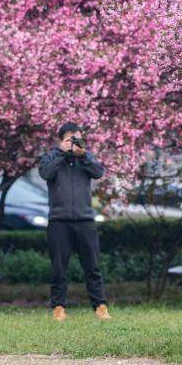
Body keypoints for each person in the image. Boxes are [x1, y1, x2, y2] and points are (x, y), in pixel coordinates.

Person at [38, 122, 110, 321]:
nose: (74, 142)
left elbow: (98, 172)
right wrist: (61, 153)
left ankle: (100, 306)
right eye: (70, 138)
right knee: (58, 268)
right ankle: (58, 307)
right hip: (58, 220)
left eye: (77, 137)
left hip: (85, 220)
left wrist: (83, 155)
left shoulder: (86, 157)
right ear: (61, 139)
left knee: (92, 266)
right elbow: (45, 173)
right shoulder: (52, 156)